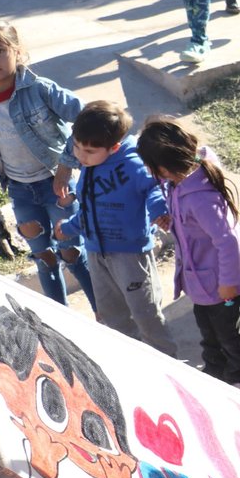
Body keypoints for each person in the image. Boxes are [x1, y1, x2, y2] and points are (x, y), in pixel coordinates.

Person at [0, 18, 93, 307]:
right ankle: (59, 321)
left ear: (17, 51)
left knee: (72, 253)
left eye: (0, 51)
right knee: (44, 258)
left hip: (57, 187)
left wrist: (66, 165)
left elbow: (89, 117)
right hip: (20, 191)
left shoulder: (41, 89)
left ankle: (105, 317)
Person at [138, 118, 240, 393]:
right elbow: (193, 222)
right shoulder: (179, 183)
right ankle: (215, 371)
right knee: (208, 330)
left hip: (221, 282)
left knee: (229, 334)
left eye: (149, 166)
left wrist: (228, 283)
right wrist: (173, 221)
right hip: (203, 281)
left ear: (162, 168)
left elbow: (227, 241)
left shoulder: (200, 197)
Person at [56, 102, 175, 357]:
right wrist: (69, 228)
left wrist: (160, 211)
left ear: (114, 147)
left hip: (130, 255)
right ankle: (130, 359)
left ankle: (167, 360)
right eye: (76, 146)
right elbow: (89, 209)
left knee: (146, 312)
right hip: (96, 253)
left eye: (89, 150)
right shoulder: (89, 167)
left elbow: (154, 188)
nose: (80, 155)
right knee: (112, 315)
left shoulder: (134, 164)